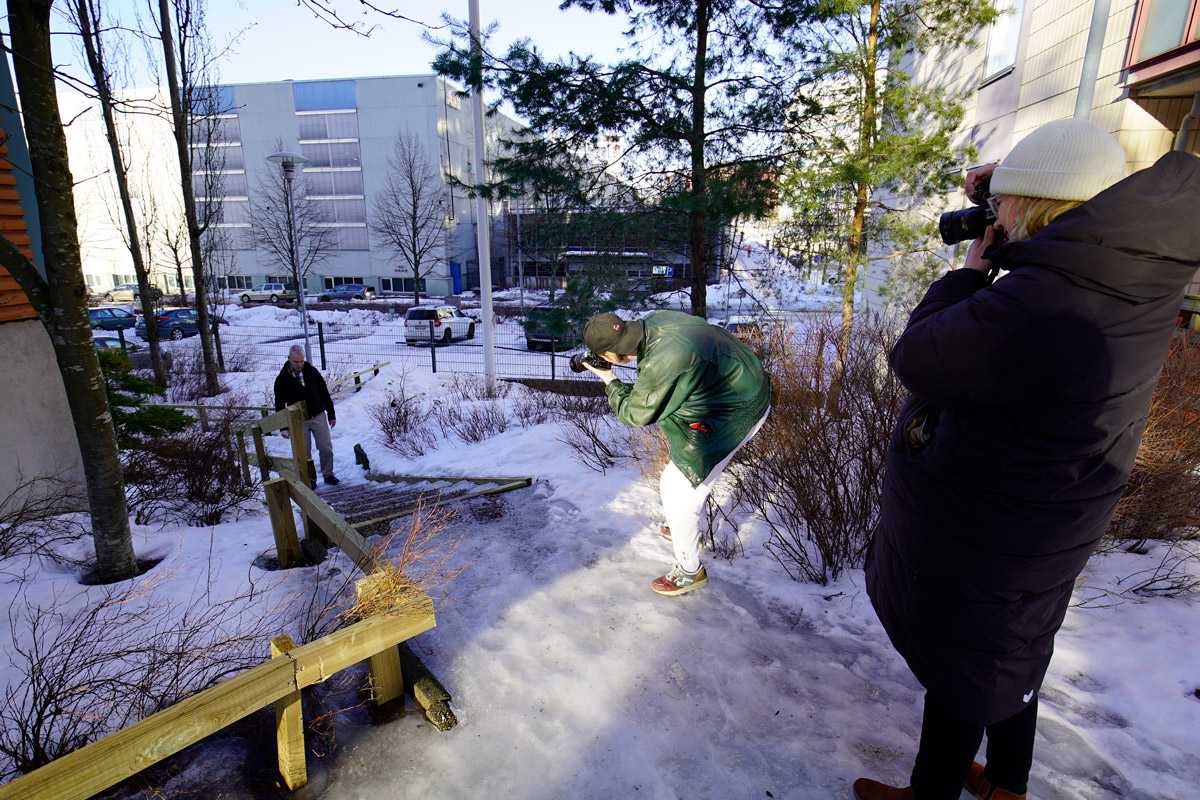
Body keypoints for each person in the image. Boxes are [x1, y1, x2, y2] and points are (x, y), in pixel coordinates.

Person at [852, 121, 1200, 800]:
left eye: (1003, 204)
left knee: (968, 664)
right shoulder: (1131, 260)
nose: (993, 216)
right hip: (1057, 507)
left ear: (1031, 208)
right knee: (1014, 650)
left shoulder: (1041, 297)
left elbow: (919, 357)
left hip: (1002, 523)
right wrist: (1013, 186)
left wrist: (971, 273)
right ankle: (1008, 784)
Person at [581, 310, 771, 596]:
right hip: (740, 387)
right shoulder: (657, 322)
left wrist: (609, 379)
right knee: (688, 485)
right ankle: (688, 528)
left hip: (734, 412)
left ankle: (689, 571)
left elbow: (636, 413)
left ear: (610, 353)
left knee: (677, 489)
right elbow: (659, 383)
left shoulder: (667, 359)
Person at [274, 345, 340, 486]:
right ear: (289, 359)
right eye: (296, 362)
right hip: (298, 420)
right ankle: (310, 479)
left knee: (325, 447)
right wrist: (283, 427)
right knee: (304, 453)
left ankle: (328, 474)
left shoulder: (312, 372)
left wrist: (331, 414)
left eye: (301, 361)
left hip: (318, 415)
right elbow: (279, 404)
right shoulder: (282, 379)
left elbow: (324, 393)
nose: (299, 364)